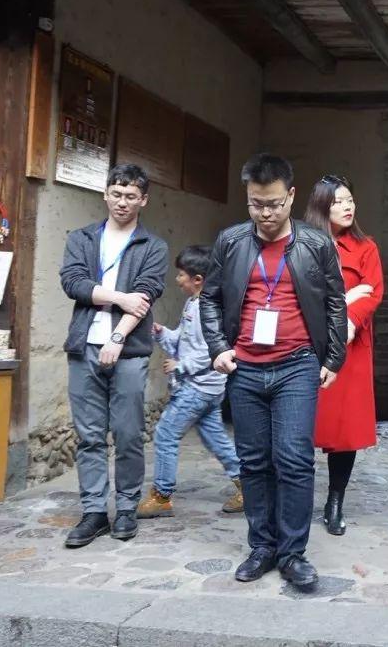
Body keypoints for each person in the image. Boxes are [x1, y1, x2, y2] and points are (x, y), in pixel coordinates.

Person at [199, 154, 346, 590]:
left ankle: (292, 553)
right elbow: (210, 298)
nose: (265, 214)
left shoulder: (316, 244)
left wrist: (333, 359)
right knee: (254, 461)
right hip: (244, 367)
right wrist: (218, 348)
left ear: (292, 196)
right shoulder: (230, 242)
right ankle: (262, 546)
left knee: (294, 459)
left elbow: (335, 302)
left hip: (297, 365)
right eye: (256, 204)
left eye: (274, 204)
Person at [59, 163, 168, 549]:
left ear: (143, 200)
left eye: (131, 196)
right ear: (106, 194)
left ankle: (125, 507)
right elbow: (73, 282)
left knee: (127, 433)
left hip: (129, 351)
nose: (122, 202)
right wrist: (121, 298)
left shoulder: (152, 246)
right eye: (117, 194)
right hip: (84, 346)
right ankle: (93, 511)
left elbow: (147, 293)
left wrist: (118, 337)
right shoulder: (82, 238)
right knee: (89, 435)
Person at [136, 245, 243, 520]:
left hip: (197, 389)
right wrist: (162, 333)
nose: (177, 279)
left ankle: (161, 496)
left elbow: (211, 349)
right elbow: (184, 341)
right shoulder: (193, 303)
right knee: (216, 439)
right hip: (209, 389)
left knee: (165, 434)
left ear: (197, 279)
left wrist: (181, 366)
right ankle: (248, 485)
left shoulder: (208, 309)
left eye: (181, 274)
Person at [304, 175, 383, 536]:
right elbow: (300, 292)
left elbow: (373, 292)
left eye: (350, 199)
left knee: (344, 430)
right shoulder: (302, 242)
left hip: (350, 349)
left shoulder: (366, 247)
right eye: (338, 201)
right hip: (307, 344)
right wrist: (344, 301)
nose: (347, 207)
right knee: (300, 424)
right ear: (322, 205)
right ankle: (296, 498)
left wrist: (348, 319)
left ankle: (335, 500)